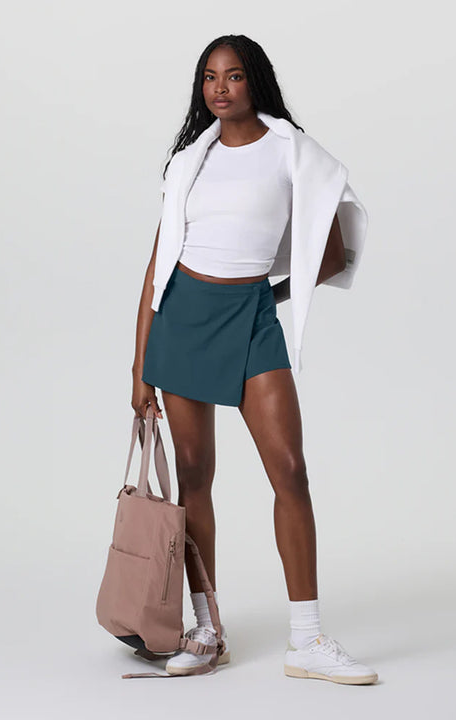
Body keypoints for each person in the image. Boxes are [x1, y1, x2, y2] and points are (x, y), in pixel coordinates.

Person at [131, 34, 378, 685]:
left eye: (234, 76)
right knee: (194, 476)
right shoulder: (191, 160)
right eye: (210, 77)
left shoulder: (293, 152)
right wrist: (138, 369)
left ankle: (307, 640)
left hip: (250, 321)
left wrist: (265, 296)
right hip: (181, 319)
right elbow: (157, 266)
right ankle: (206, 628)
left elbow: (332, 256)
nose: (220, 88)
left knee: (290, 471)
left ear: (255, 82)